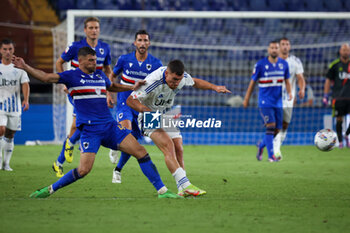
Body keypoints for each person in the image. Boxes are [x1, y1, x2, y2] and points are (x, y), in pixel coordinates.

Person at [13, 47, 182, 199]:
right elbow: (46, 77)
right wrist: (25, 66)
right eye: (91, 60)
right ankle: (50, 189)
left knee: (141, 152)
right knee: (83, 170)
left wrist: (131, 87)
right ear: (81, 61)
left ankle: (162, 191)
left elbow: (112, 86)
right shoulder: (71, 76)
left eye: (95, 60)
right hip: (90, 130)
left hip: (110, 126)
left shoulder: (100, 75)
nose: (95, 63)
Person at [127, 59, 231, 196]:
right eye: (174, 79)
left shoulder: (181, 78)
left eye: (179, 80)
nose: (176, 84)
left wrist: (214, 87)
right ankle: (186, 184)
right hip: (149, 115)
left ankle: (181, 187)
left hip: (165, 114)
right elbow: (130, 100)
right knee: (168, 146)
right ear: (166, 74)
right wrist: (146, 111)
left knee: (178, 148)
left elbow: (195, 81)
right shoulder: (153, 81)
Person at [53, 16, 113, 178]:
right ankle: (69, 145)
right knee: (78, 124)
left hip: (96, 93)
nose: (94, 31)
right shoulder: (75, 47)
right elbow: (59, 62)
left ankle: (59, 161)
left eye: (96, 28)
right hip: (78, 90)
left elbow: (108, 70)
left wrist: (109, 91)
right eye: (91, 28)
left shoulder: (104, 48)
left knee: (80, 125)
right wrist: (64, 83)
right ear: (85, 30)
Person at [107, 30, 163, 184]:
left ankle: (117, 170)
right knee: (126, 132)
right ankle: (115, 145)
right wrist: (108, 94)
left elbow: (160, 86)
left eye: (145, 40)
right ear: (135, 43)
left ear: (149, 43)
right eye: (140, 40)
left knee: (134, 142)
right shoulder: (124, 59)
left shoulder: (156, 64)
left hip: (141, 106)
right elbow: (112, 76)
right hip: (125, 102)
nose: (143, 43)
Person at [243, 41, 292, 162]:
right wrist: (246, 98)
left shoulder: (284, 64)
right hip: (265, 102)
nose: (274, 50)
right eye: (272, 48)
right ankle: (271, 156)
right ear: (268, 49)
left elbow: (287, 80)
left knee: (277, 130)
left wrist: (290, 93)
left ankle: (261, 146)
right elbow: (252, 82)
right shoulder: (260, 65)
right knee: (271, 127)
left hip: (278, 102)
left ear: (279, 50)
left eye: (276, 48)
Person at [273, 37, 305, 159]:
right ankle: (276, 150)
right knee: (276, 124)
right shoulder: (273, 61)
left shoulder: (295, 61)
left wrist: (301, 89)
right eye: (283, 44)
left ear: (289, 46)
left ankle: (274, 145)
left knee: (285, 125)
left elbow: (300, 78)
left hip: (288, 98)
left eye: (287, 44)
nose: (285, 46)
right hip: (274, 97)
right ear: (279, 47)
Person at [0, 38, 30, 171]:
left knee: (10, 135)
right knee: (1, 130)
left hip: (15, 108)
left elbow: (25, 84)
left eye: (10, 49)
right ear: (0, 51)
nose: (7, 52)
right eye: (5, 49)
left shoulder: (19, 68)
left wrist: (26, 99)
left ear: (13, 50)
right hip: (0, 106)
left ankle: (6, 163)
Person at [323, 43, 350, 148]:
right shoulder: (334, 65)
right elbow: (328, 80)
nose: (346, 52)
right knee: (339, 119)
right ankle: (340, 142)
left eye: (347, 50)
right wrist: (325, 95)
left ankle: (346, 135)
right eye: (344, 50)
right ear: (340, 51)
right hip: (338, 97)